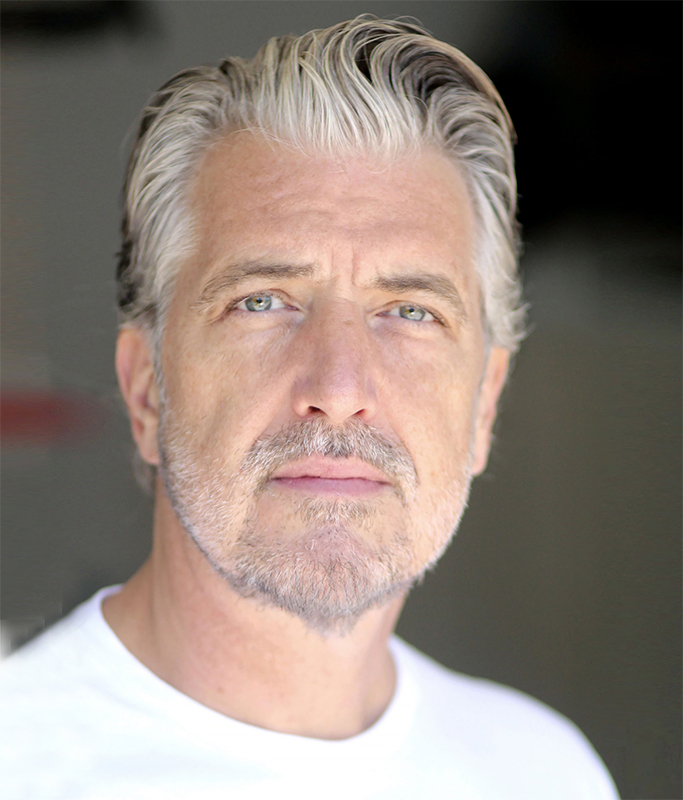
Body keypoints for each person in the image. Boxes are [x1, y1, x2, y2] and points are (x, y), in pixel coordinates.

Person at [1, 17, 619, 799]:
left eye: (410, 311)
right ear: (146, 388)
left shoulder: (545, 773)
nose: (339, 387)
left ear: (484, 404)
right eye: (262, 301)